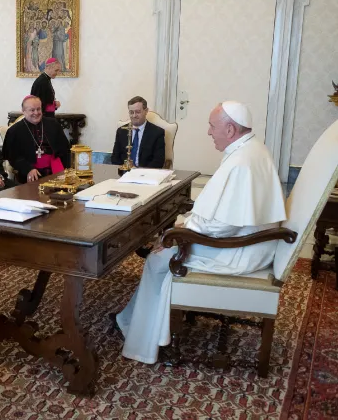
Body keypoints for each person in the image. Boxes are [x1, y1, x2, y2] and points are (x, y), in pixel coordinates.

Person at [113, 101, 287, 365]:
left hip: (238, 250)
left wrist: (179, 232)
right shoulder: (252, 149)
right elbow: (225, 215)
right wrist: (185, 226)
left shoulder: (241, 162)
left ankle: (143, 336)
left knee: (158, 259)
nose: (208, 132)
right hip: (244, 239)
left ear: (230, 129)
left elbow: (222, 226)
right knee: (166, 246)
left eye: (212, 126)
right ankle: (131, 319)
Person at [2, 95, 71, 184]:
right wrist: (28, 169)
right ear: (23, 111)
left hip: (54, 168)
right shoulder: (15, 131)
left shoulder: (52, 124)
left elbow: (64, 149)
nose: (36, 113)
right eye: (32, 110)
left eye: (38, 109)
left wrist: (66, 168)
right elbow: (13, 157)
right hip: (30, 170)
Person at [110, 96, 165, 168]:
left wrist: (139, 172)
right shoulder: (121, 131)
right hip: (124, 173)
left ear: (146, 111)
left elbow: (158, 161)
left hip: (145, 174)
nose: (134, 115)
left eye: (138, 112)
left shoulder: (157, 133)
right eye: (131, 112)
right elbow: (115, 158)